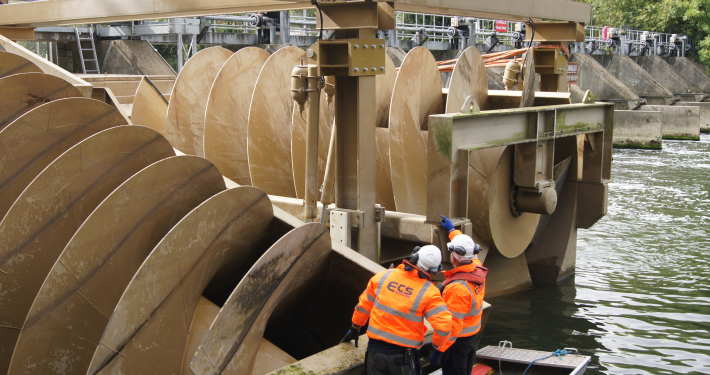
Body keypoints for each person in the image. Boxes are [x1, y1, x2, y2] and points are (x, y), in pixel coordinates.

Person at [340, 245, 453, 375]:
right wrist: (435, 346)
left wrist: (355, 327)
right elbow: (444, 327)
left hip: (375, 355)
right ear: (434, 271)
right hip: (402, 359)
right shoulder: (430, 293)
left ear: (414, 256)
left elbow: (363, 306)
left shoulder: (382, 277)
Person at [437, 215, 487, 375]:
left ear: (454, 257)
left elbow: (453, 326)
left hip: (457, 344)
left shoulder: (457, 289)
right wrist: (452, 231)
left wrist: (440, 349)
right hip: (471, 338)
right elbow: (466, 247)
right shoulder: (476, 267)